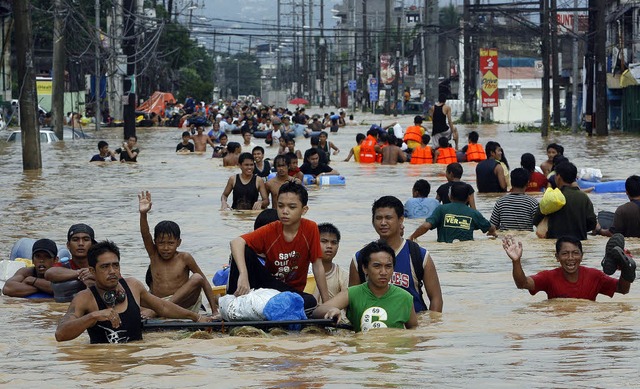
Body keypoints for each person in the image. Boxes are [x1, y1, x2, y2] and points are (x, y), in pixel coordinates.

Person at [55, 240, 211, 344]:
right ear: (92, 271)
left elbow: (163, 307)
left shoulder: (133, 286)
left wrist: (196, 317)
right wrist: (93, 316)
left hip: (136, 360)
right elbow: (60, 335)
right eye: (105, 267)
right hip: (102, 364)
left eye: (115, 265)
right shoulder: (84, 299)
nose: (112, 271)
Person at [227, 182, 330, 312]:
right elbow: (236, 242)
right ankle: (232, 301)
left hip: (288, 291)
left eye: (292, 207)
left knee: (310, 301)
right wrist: (243, 274)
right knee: (245, 251)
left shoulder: (310, 228)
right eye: (280, 206)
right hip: (267, 284)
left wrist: (327, 304)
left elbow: (317, 265)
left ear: (304, 210)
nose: (285, 211)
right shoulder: (271, 229)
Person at [348, 196, 443, 313]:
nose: (383, 223)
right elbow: (352, 301)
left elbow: (436, 299)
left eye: (388, 218)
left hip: (413, 327)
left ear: (401, 219)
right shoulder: (360, 258)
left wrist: (430, 327)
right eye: (378, 218)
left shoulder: (420, 255)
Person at [138, 191, 219, 318]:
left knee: (197, 277)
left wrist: (214, 311)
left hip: (182, 305)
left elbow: (204, 282)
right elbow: (145, 235)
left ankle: (157, 311)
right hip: (159, 302)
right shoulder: (154, 255)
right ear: (155, 243)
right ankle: (158, 309)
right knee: (133, 289)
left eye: (170, 243)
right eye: (161, 243)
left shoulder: (184, 258)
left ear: (178, 243)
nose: (165, 248)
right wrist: (143, 214)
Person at [313, 240, 418, 332]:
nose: (383, 272)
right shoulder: (352, 293)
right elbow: (318, 310)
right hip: (363, 353)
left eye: (388, 266)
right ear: (365, 269)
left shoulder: (405, 298)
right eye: (377, 266)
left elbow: (413, 333)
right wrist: (332, 310)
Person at [503, 235, 634, 301]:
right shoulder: (548, 277)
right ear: (557, 257)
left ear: (582, 256)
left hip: (586, 327)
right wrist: (516, 261)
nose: (571, 258)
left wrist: (625, 272)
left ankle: (626, 265)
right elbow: (523, 283)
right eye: (565, 254)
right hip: (559, 327)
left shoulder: (594, 276)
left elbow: (623, 289)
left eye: (575, 253)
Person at [409, 182, 497, 243]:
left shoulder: (441, 209)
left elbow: (425, 226)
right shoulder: (473, 213)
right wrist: (492, 233)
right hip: (467, 251)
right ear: (467, 199)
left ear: (450, 196)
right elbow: (490, 227)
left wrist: (411, 237)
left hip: (445, 252)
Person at [532, 161, 596, 240]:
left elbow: (535, 221)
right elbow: (592, 224)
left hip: (557, 245)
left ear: (558, 177)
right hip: (578, 244)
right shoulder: (583, 197)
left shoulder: (551, 197)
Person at [45, 224, 97, 295]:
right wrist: (82, 273)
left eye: (86, 239)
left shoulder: (100, 265)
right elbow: (49, 273)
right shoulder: (64, 266)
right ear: (68, 245)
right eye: (75, 240)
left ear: (93, 245)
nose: (81, 244)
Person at [312, 223, 349, 305]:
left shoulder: (343, 277)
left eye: (334, 242)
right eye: (324, 241)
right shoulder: (304, 273)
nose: (329, 246)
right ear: (312, 242)